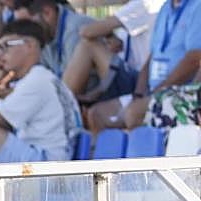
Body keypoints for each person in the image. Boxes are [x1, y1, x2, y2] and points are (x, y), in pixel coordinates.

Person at [0, 19, 80, 164]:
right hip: (51, 156)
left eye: (6, 46)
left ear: (29, 46)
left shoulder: (36, 80)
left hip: (47, 162)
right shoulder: (41, 76)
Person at [86, 0, 201, 131]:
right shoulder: (165, 7)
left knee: (133, 114)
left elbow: (195, 58)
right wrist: (139, 94)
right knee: (97, 114)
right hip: (153, 91)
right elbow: (152, 56)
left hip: (180, 93)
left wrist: (160, 91)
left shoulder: (197, 6)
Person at [63, 1, 165, 104]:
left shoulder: (146, 3)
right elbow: (115, 46)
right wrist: (110, 36)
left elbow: (86, 32)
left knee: (88, 46)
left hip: (140, 82)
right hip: (129, 75)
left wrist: (107, 31)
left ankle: (62, 105)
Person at [11, 0, 93, 77]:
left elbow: (69, 89)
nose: (24, 33)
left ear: (47, 13)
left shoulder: (75, 30)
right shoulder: (46, 33)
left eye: (27, 25)